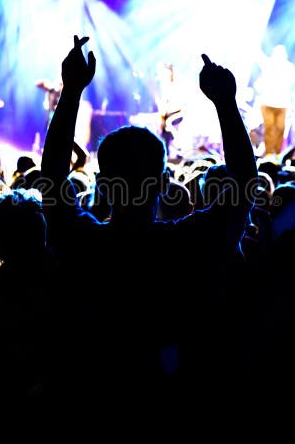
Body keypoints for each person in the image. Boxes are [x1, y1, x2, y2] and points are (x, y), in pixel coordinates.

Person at [40, 35, 257, 408]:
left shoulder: (83, 240)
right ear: (161, 182)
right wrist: (225, 103)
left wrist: (72, 91)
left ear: (102, 184)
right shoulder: (188, 241)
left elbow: (53, 177)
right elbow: (243, 181)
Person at [254, 44, 295, 158]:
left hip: (282, 104)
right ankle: (269, 155)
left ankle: (277, 155)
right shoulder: (268, 63)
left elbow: (293, 83)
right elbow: (259, 57)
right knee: (269, 130)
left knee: (280, 130)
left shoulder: (289, 67)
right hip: (267, 103)